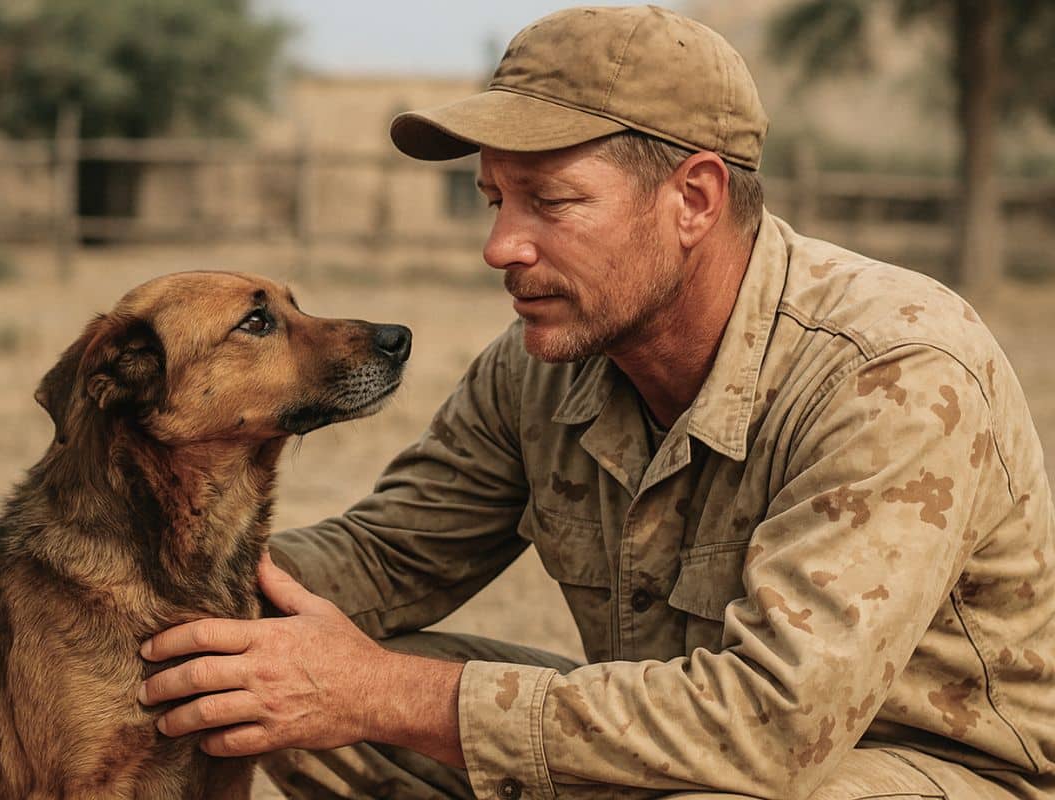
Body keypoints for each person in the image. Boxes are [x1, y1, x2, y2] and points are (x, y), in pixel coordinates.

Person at [136, 6, 1055, 799]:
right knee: (274, 701)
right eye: (494, 199)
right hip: (671, 745)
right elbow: (387, 557)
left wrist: (380, 691)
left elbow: (772, 726)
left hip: (918, 767)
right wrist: (97, 590)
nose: (500, 246)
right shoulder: (543, 365)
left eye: (550, 202)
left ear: (693, 199)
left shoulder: (891, 369)